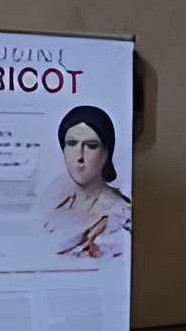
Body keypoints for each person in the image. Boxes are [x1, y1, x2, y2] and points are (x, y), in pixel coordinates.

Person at [40, 105, 132, 261]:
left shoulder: (121, 215)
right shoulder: (52, 203)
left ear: (106, 152)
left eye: (91, 145)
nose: (79, 156)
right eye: (71, 143)